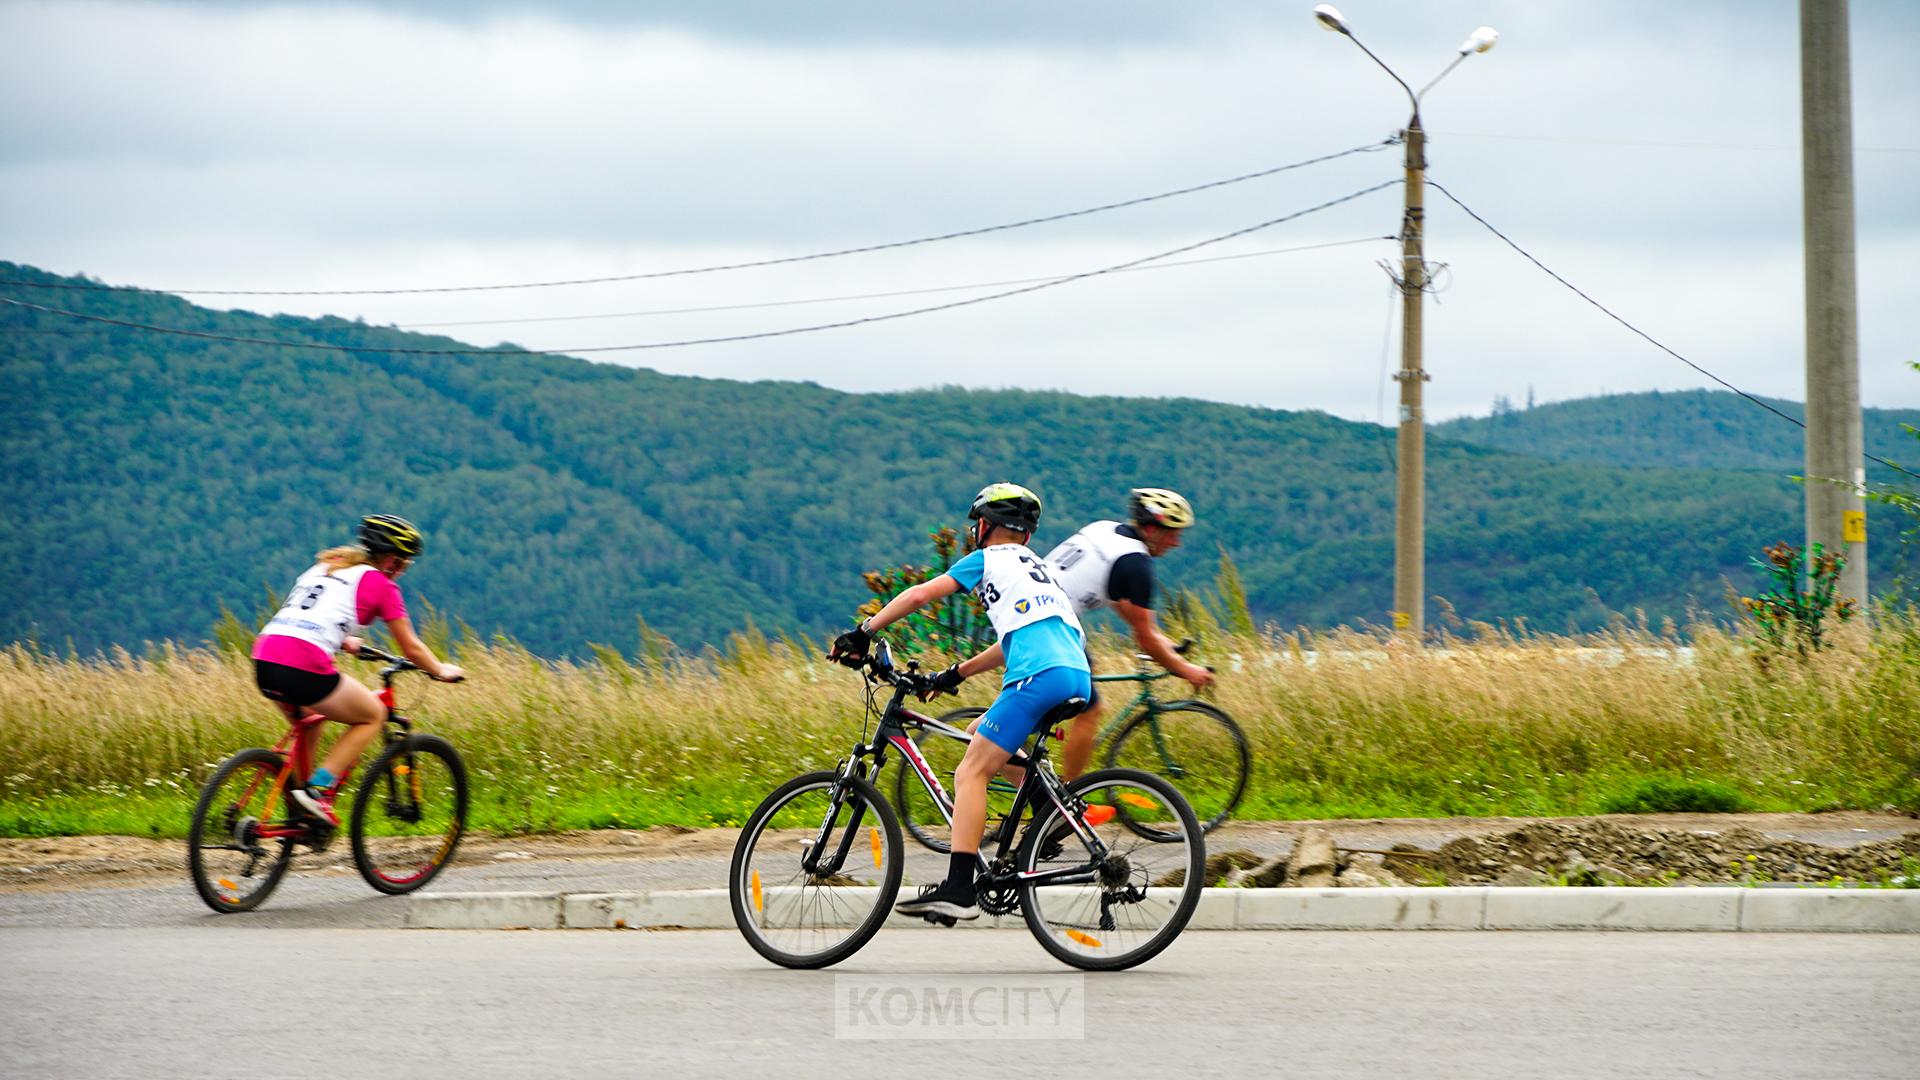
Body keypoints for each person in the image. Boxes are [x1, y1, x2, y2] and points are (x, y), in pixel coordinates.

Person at [829, 483, 1090, 921]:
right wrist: (953, 675)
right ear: (1026, 534)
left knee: (971, 771)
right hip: (1074, 673)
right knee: (977, 733)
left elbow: (918, 595)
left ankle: (958, 889)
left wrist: (864, 631)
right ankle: (1050, 810)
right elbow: (1011, 643)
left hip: (1037, 676)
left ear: (984, 527)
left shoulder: (989, 559)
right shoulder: (1038, 569)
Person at [250, 514, 464, 826]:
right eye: (404, 563)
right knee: (373, 715)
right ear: (391, 561)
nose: (403, 571)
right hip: (303, 662)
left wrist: (344, 639)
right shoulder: (381, 584)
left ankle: (300, 811)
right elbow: (411, 648)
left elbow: (312, 614)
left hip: (265, 657)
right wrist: (439, 670)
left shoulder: (329, 565)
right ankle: (317, 792)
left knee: (310, 720)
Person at [1042, 488, 1214, 781]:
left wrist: (1164, 645)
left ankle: (1036, 768)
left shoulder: (1106, 530)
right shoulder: (1135, 562)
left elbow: (1126, 608)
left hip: (1033, 610)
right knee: (1090, 710)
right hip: (1049, 622)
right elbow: (1143, 637)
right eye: (1172, 533)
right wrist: (1187, 671)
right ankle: (1064, 801)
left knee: (1076, 687)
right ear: (1150, 529)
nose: (1176, 542)